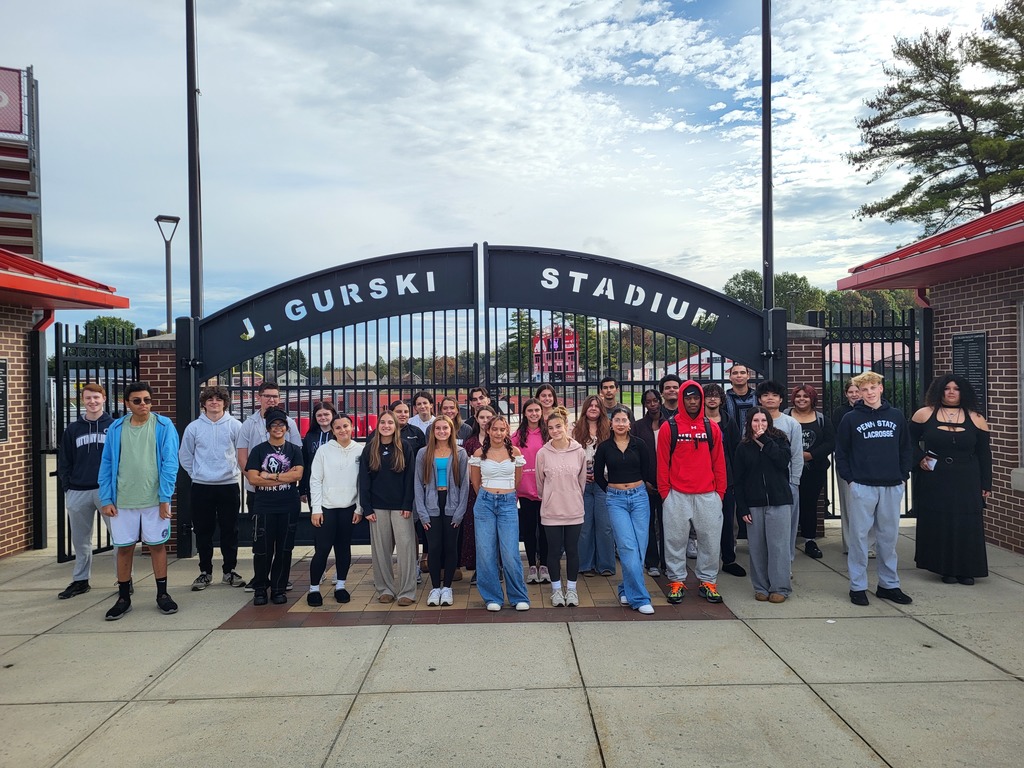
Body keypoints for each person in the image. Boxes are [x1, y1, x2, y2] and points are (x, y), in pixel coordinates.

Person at [98, 382, 180, 621]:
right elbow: (106, 463)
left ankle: (162, 594)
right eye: (137, 400)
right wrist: (106, 498)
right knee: (124, 548)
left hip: (154, 500)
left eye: (147, 400)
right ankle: (124, 597)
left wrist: (165, 497)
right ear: (127, 403)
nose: (143, 404)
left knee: (157, 546)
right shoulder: (116, 428)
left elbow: (170, 463)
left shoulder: (164, 425)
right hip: (122, 500)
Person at [835, 371, 914, 606]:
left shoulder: (896, 416)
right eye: (864, 389)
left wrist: (903, 475)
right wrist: (851, 480)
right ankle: (858, 586)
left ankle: (889, 585)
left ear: (881, 388)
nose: (869, 392)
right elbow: (842, 452)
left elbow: (905, 448)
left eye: (873, 387)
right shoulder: (850, 419)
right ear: (859, 393)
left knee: (888, 538)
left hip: (891, 484)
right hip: (862, 485)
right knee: (859, 538)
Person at [911, 374, 991, 585]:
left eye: (956, 388)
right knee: (941, 521)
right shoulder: (924, 414)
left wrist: (986, 484)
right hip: (935, 476)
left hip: (967, 477)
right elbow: (907, 442)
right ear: (939, 391)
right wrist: (920, 458)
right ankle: (945, 568)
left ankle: (967, 569)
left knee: (967, 522)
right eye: (947, 388)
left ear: (963, 392)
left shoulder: (976, 418)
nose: (952, 392)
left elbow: (984, 454)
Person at [657, 380, 727, 605]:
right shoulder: (670, 427)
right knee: (674, 540)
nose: (693, 402)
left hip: (708, 495)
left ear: (701, 399)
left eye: (696, 397)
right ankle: (676, 581)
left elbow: (719, 462)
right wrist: (665, 494)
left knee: (710, 541)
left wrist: (720, 493)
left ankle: (708, 581)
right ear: (682, 400)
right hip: (677, 494)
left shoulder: (711, 427)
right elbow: (662, 463)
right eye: (688, 398)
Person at [178, 385, 247, 592]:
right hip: (202, 486)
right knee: (203, 531)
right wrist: (197, 473)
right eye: (210, 399)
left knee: (230, 530)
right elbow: (185, 455)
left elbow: (242, 452)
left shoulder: (235, 425)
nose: (214, 402)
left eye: (218, 399)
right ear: (204, 404)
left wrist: (233, 471)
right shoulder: (194, 428)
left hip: (228, 485)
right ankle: (205, 572)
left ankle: (229, 571)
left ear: (225, 403)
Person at [237, 381, 302, 594]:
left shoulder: (290, 423)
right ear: (259, 397)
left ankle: (279, 581)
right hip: (258, 494)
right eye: (267, 395)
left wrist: (270, 477)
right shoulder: (249, 424)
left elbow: (296, 465)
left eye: (275, 396)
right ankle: (260, 581)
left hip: (284, 496)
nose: (271, 399)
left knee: (283, 542)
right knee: (261, 541)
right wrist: (255, 478)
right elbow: (243, 457)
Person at [595, 405, 656, 614]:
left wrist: (636, 488)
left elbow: (646, 470)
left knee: (640, 547)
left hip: (639, 498)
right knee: (627, 546)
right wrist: (612, 491)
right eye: (617, 420)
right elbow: (598, 475)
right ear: (611, 424)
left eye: (624, 420)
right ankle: (639, 598)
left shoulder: (640, 444)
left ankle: (625, 588)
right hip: (616, 500)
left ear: (630, 423)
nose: (620, 424)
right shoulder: (604, 447)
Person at [56, 382, 115, 599]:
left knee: (119, 538)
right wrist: (68, 487)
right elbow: (65, 460)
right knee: (81, 541)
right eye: (88, 398)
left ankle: (124, 579)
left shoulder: (114, 426)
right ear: (82, 400)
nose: (92, 402)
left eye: (96, 397)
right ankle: (80, 580)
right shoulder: (73, 429)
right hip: (78, 490)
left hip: (106, 492)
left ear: (104, 399)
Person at [469, 415, 530, 611]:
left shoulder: (514, 452)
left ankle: (518, 596)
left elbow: (517, 480)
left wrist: (506, 496)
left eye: (502, 429)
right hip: (485, 503)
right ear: (488, 430)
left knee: (510, 552)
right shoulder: (479, 453)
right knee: (486, 552)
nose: (498, 433)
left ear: (507, 431)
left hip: (508, 504)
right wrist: (488, 497)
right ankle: (492, 597)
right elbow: (475, 482)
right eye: (494, 429)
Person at [734, 407, 794, 603]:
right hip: (754, 503)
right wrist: (743, 508)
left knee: (779, 547)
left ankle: (780, 588)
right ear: (749, 423)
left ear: (769, 422)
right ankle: (760, 587)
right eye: (755, 420)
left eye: (763, 420)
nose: (759, 424)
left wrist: (766, 441)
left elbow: (782, 461)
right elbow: (738, 480)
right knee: (757, 548)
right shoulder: (743, 447)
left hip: (779, 501)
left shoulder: (780, 440)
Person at [360, 411, 416, 604]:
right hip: (377, 508)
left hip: (401, 507)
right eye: (382, 422)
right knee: (381, 551)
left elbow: (410, 478)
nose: (386, 426)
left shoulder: (405, 447)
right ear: (378, 426)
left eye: (390, 422)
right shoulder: (370, 449)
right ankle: (385, 589)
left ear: (396, 426)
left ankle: (407, 591)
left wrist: (407, 503)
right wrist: (367, 508)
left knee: (406, 549)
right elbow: (364, 480)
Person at [307, 413, 362, 606]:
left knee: (343, 548)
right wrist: (316, 509)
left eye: (346, 426)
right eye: (338, 427)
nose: (342, 430)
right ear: (332, 430)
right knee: (322, 549)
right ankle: (314, 589)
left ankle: (340, 585)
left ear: (352, 427)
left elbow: (363, 482)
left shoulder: (360, 450)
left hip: (349, 508)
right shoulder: (323, 451)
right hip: (327, 508)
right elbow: (315, 480)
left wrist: (359, 508)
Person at [415, 416, 470, 606]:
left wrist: (460, 512)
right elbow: (417, 484)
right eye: (437, 428)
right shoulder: (423, 453)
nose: (441, 431)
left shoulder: (460, 453)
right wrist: (422, 513)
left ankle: (447, 587)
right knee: (434, 547)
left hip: (452, 503)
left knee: (450, 547)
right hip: (431, 503)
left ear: (451, 430)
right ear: (433, 431)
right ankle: (435, 587)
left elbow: (465, 485)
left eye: (445, 428)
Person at [536, 407, 587, 607]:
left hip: (574, 509)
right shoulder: (542, 453)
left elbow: (581, 481)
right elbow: (540, 483)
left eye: (558, 426)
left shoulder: (579, 451)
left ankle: (572, 590)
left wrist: (573, 496)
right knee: (553, 552)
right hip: (551, 511)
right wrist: (550, 498)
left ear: (566, 426)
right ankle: (556, 590)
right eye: (551, 428)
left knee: (573, 550)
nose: (555, 431)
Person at [755, 381, 804, 561]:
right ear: (759, 399)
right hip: (759, 483)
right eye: (766, 395)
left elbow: (796, 454)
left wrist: (794, 481)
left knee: (787, 527)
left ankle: (786, 561)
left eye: (774, 395)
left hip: (786, 483)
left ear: (781, 399)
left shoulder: (791, 424)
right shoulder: (753, 422)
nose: (770, 398)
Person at [786, 385, 835, 559]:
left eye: (806, 396)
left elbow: (830, 443)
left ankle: (809, 540)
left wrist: (811, 455)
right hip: (787, 470)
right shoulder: (785, 416)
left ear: (812, 399)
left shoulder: (821, 419)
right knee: (787, 506)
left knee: (809, 505)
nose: (801, 399)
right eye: (798, 396)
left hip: (814, 471)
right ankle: (786, 540)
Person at [703, 382, 746, 578]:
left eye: (716, 395)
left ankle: (729, 559)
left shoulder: (729, 422)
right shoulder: (698, 422)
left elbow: (736, 450)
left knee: (728, 520)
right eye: (709, 395)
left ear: (721, 399)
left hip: (726, 478)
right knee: (704, 523)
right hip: (703, 479)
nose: (712, 399)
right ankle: (707, 561)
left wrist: (735, 478)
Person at [573, 395, 616, 577]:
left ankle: (606, 565)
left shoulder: (609, 429)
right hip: (583, 484)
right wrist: (582, 473)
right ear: (585, 408)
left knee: (605, 526)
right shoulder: (576, 430)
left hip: (603, 482)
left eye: (596, 406)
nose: (593, 408)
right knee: (585, 527)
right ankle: (585, 565)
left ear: (601, 409)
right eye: (590, 405)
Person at [631, 388, 666, 576]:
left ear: (660, 401)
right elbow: (635, 456)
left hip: (667, 482)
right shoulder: (638, 426)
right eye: (648, 402)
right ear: (644, 404)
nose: (652, 404)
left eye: (655, 401)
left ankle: (667, 563)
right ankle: (652, 562)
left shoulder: (670, 424)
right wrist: (644, 480)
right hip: (646, 483)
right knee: (648, 523)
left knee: (667, 523)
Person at [515, 398, 549, 584]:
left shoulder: (548, 433)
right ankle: (531, 566)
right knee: (529, 530)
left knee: (545, 529)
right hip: (526, 490)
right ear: (525, 413)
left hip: (547, 489)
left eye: (537, 410)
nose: (534, 414)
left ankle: (544, 564)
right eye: (530, 410)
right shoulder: (517, 436)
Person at [460, 404, 496, 583]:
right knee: (477, 531)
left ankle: (497, 567)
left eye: (489, 417)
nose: (485, 421)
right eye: (482, 417)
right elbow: (467, 470)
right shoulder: (470, 443)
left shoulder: (501, 440)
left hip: (498, 491)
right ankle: (479, 568)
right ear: (476, 419)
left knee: (496, 531)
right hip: (476, 494)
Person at [831, 379, 867, 556]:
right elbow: (838, 438)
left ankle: (870, 545)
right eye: (851, 392)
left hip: (868, 464)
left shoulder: (872, 410)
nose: (854, 395)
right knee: (848, 505)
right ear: (846, 394)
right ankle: (850, 544)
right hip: (847, 463)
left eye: (857, 391)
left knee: (868, 506)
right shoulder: (840, 412)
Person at [299, 401, 337, 508]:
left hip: (335, 485)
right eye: (319, 415)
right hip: (314, 484)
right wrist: (302, 489)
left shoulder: (339, 435)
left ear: (333, 415)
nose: (323, 417)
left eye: (326, 414)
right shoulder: (310, 436)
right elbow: (305, 462)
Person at [724, 364, 757, 433]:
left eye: (742, 373)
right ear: (730, 377)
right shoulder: (724, 399)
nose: (739, 375)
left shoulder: (757, 397)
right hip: (731, 438)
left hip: (756, 438)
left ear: (748, 376)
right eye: (735, 373)